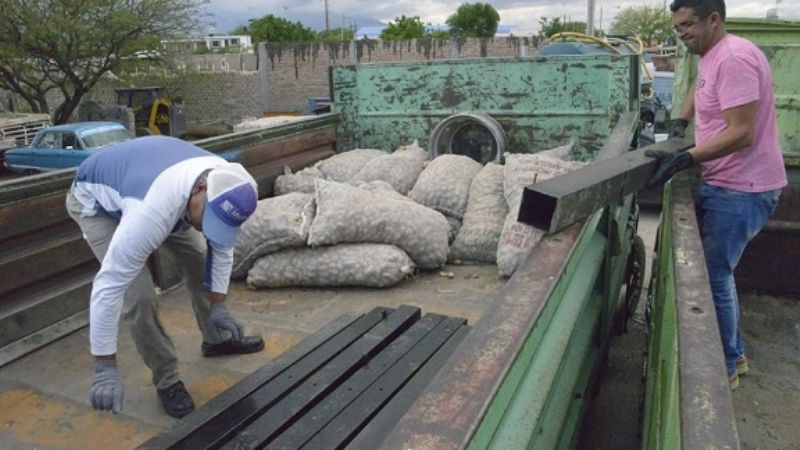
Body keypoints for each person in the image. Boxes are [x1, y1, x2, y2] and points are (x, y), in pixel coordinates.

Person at [66, 135, 265, 417]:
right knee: (140, 295)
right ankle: (167, 379)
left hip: (157, 187)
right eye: (207, 218)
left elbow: (221, 251)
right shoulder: (153, 210)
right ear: (200, 189)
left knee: (201, 260)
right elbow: (108, 286)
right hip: (97, 204)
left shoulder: (230, 182)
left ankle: (215, 340)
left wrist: (218, 305)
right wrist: (104, 364)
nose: (207, 228)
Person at [646, 0, 787, 390]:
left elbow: (742, 132)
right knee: (715, 273)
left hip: (742, 189)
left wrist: (686, 158)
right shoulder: (711, 54)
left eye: (687, 25)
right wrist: (680, 120)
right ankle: (734, 353)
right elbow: (700, 85)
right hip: (725, 182)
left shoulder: (735, 59)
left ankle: (726, 365)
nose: (682, 33)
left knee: (714, 276)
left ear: (713, 19)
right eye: (677, 28)